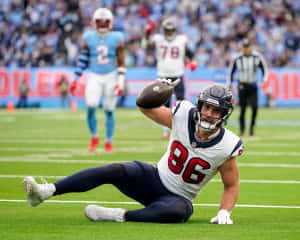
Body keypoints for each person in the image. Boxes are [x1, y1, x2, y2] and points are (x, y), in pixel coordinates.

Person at [22, 82, 243, 224]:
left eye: (216, 111)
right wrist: (156, 89)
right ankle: (45, 191)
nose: (209, 114)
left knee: (180, 211)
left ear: (224, 115)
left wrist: (225, 211)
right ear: (200, 106)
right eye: (207, 107)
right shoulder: (183, 114)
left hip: (177, 197)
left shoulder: (227, 144)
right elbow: (144, 106)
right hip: (154, 178)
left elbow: (231, 184)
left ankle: (116, 215)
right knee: (116, 169)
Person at [69, 8, 126, 152]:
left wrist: (120, 81)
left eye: (104, 22)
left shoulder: (117, 37)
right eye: (99, 22)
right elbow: (83, 60)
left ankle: (109, 141)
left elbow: (121, 60)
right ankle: (94, 137)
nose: (101, 24)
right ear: (94, 22)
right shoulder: (88, 37)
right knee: (91, 106)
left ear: (110, 23)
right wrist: (76, 79)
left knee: (109, 110)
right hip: (94, 75)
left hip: (110, 76)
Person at [141, 17, 197, 139]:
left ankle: (183, 128)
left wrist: (193, 61)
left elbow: (190, 54)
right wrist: (147, 33)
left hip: (178, 74)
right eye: (167, 30)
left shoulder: (181, 40)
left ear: (175, 30)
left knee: (181, 103)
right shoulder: (158, 39)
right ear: (163, 30)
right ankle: (166, 130)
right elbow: (145, 47)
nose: (169, 33)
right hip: (163, 75)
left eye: (171, 30)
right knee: (164, 104)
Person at [227, 38, 268, 136]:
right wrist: (230, 84)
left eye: (247, 47)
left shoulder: (257, 57)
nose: (245, 49)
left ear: (250, 47)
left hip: (253, 85)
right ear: (242, 48)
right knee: (242, 109)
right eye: (244, 47)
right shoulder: (237, 58)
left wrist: (264, 80)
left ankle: (251, 128)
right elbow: (231, 72)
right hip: (242, 85)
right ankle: (242, 129)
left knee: (255, 107)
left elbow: (264, 69)